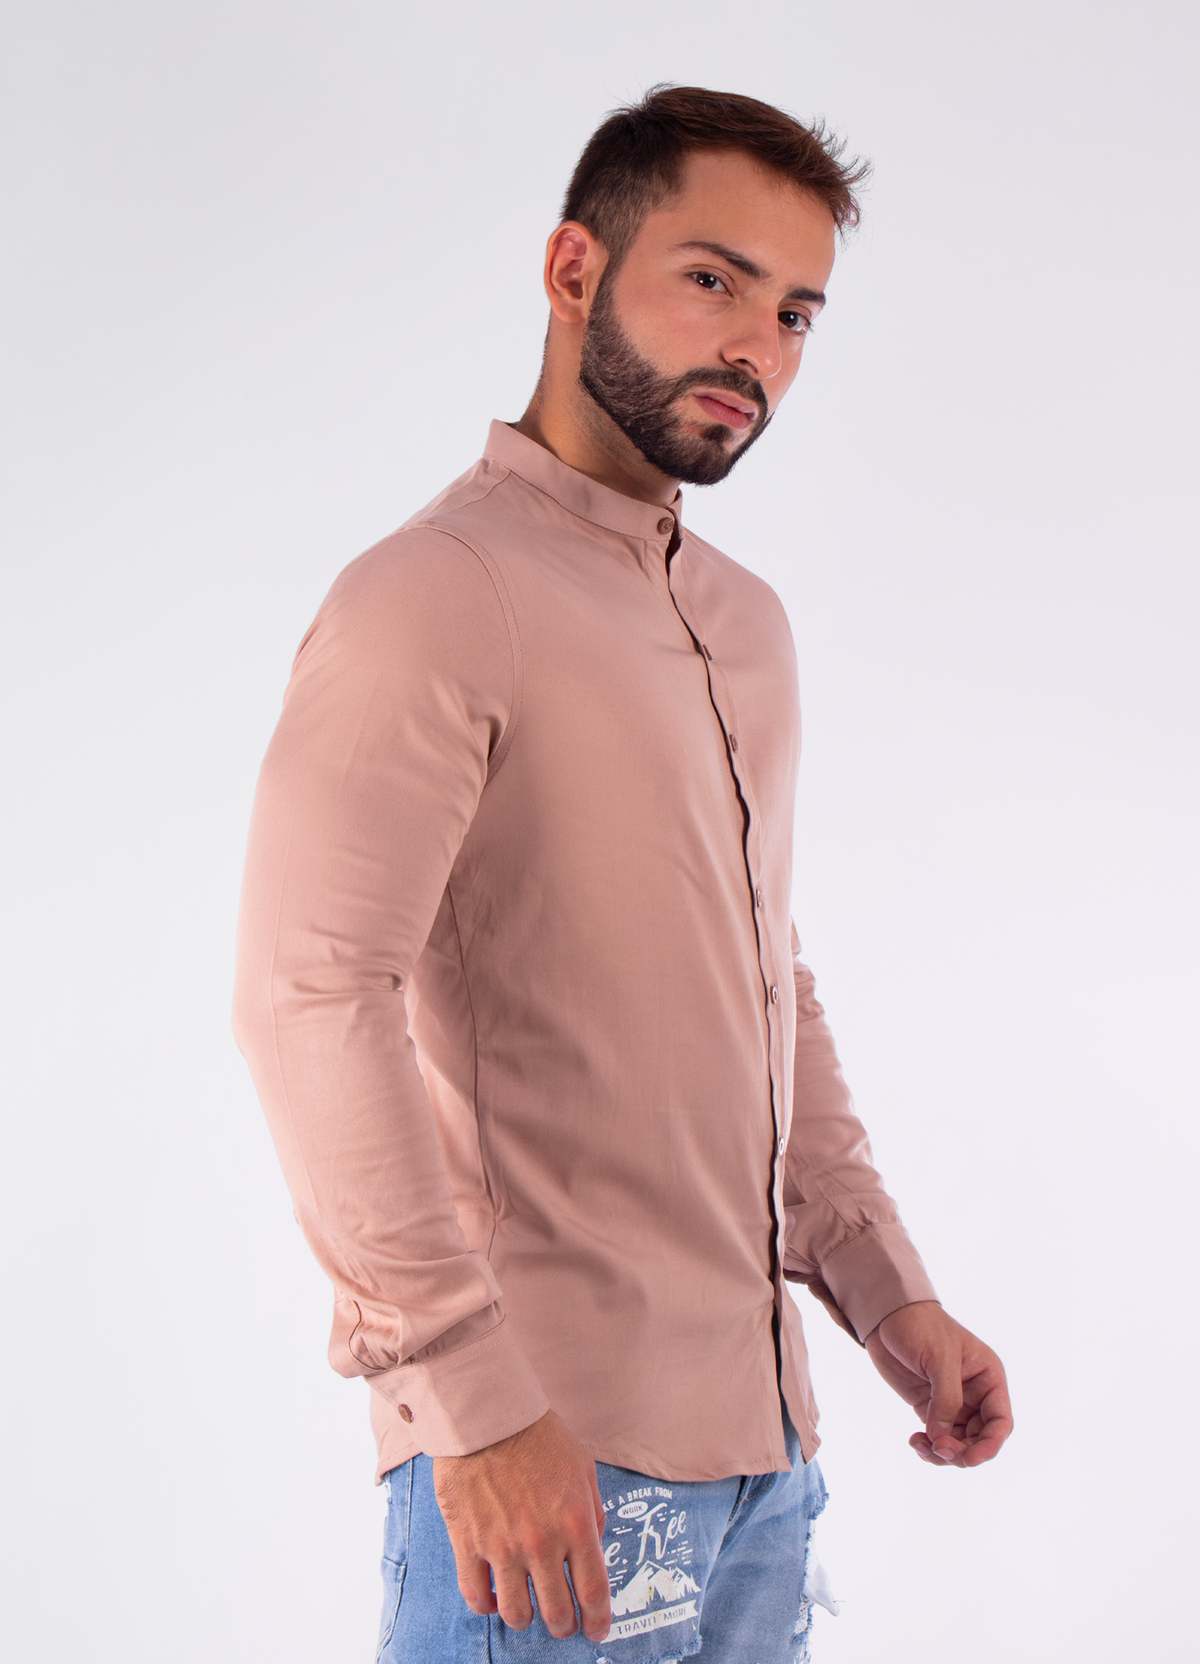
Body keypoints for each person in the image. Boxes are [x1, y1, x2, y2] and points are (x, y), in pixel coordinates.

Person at [233, 84, 1013, 1663]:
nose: (757, 348)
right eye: (713, 280)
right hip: (549, 1462)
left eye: (796, 313)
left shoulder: (748, 623)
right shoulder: (433, 596)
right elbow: (311, 995)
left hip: (765, 1467)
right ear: (574, 269)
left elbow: (763, 975)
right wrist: (472, 1400)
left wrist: (883, 1290)